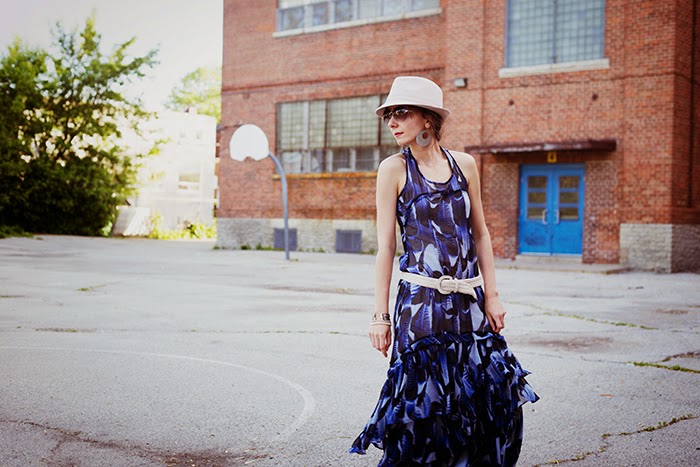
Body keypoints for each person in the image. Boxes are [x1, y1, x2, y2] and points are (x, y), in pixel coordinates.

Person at [349, 76, 539, 466]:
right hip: (420, 308)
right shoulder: (393, 169)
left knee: (488, 401)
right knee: (425, 410)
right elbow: (386, 247)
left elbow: (481, 233)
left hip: (469, 303)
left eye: (401, 112)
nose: (392, 122)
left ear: (428, 119)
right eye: (389, 115)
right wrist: (380, 316)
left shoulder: (464, 164)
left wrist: (493, 296)